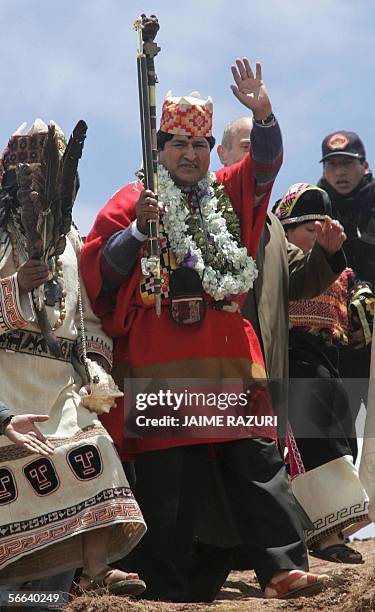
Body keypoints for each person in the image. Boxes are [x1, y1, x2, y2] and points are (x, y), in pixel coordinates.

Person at [81, 58, 330, 602]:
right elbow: (96, 269)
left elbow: (263, 167)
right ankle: (165, 587)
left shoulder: (227, 192)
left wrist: (262, 113)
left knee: (258, 462)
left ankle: (283, 569)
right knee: (171, 475)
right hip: (161, 356)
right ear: (160, 149)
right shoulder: (133, 198)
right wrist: (134, 234)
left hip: (227, 357)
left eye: (199, 146)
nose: (190, 156)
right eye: (178, 146)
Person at [0, 119, 146, 598]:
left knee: (95, 452)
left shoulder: (71, 241)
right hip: (9, 381)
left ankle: (97, 566)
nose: (40, 180)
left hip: (62, 382)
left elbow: (83, 316)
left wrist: (96, 368)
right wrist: (17, 286)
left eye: (51, 171)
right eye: (32, 169)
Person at [273, 182, 371, 564]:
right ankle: (326, 535)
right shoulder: (277, 267)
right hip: (295, 362)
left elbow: (357, 301)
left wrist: (364, 297)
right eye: (310, 230)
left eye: (325, 231)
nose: (319, 238)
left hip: (332, 365)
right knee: (315, 448)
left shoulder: (340, 270)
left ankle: (337, 527)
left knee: (344, 440)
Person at [317, 131, 375, 408]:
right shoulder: (314, 209)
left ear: (365, 166)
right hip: (338, 341)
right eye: (332, 165)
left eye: (347, 163)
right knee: (339, 439)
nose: (339, 172)